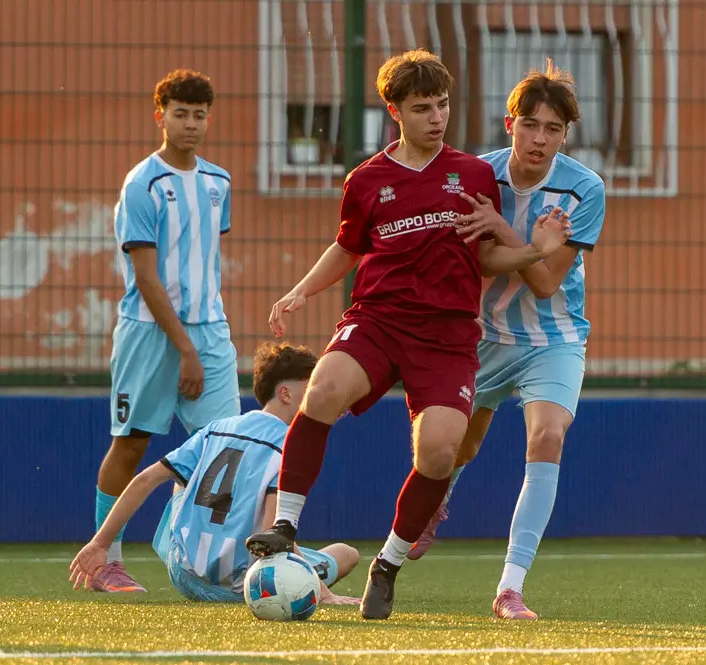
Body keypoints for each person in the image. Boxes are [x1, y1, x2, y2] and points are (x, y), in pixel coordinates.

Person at [243, 49, 573, 621]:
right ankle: (285, 525)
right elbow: (348, 246)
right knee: (321, 392)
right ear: (394, 110)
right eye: (422, 108)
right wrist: (301, 292)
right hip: (377, 318)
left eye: (443, 105)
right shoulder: (367, 180)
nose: (436, 117)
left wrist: (534, 251)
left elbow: (488, 257)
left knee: (441, 451)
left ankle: (387, 566)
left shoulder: (471, 174)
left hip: (445, 335)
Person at [407, 61, 607, 621]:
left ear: (566, 135)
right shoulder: (475, 175)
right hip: (483, 335)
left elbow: (545, 285)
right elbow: (476, 261)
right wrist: (526, 240)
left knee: (547, 436)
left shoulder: (585, 188)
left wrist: (505, 229)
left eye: (554, 129)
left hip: (556, 337)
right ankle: (436, 497)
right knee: (458, 449)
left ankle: (509, 589)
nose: (540, 139)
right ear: (508, 123)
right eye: (530, 125)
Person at [93, 68, 241, 592]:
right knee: (131, 443)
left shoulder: (219, 182)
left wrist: (203, 341)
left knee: (227, 450)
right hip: (150, 335)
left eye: (200, 115)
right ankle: (105, 560)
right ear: (160, 117)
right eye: (180, 114)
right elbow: (148, 279)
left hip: (211, 333)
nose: (191, 125)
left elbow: (203, 262)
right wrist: (185, 349)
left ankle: (207, 557)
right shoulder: (142, 184)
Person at [69, 342, 361, 606]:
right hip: (242, 586)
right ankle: (305, 578)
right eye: (311, 388)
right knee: (347, 555)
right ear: (285, 393)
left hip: (182, 572)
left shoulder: (216, 428)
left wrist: (100, 543)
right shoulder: (289, 447)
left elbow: (146, 479)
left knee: (179, 476)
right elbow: (271, 533)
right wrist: (322, 593)